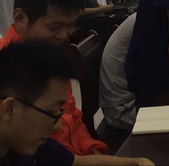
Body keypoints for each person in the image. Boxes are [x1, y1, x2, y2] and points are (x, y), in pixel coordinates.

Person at [0, 0, 109, 155]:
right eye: (55, 27)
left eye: (71, 25)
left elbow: (74, 121)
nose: (64, 36)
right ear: (20, 18)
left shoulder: (51, 57)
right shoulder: (6, 68)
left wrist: (94, 152)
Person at [0, 40, 153, 165]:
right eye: (51, 112)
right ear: (9, 109)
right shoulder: (26, 139)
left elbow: (74, 161)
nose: (57, 126)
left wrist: (135, 162)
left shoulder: (25, 142)